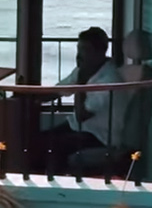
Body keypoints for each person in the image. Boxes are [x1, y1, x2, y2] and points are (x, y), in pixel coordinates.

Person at [38, 27, 119, 164]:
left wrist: (81, 83)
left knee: (53, 145)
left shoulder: (109, 80)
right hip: (78, 127)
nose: (79, 55)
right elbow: (59, 90)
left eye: (85, 50)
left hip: (100, 135)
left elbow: (82, 116)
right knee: (38, 138)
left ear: (100, 52)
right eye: (79, 49)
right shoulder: (84, 70)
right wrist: (30, 96)